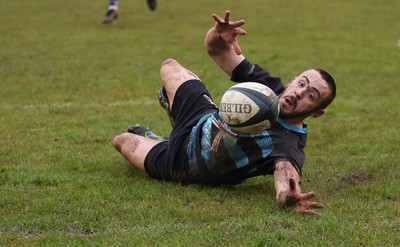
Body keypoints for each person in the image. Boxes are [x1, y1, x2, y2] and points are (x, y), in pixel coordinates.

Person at [113, 10, 336, 215]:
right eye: (301, 83)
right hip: (200, 119)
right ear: (293, 80)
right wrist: (217, 33)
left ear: (316, 113)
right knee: (169, 67)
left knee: (122, 141)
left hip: (182, 164)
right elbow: (216, 50)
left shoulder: (289, 145)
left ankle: (160, 140)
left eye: (311, 95)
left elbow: (285, 175)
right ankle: (175, 116)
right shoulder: (265, 89)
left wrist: (288, 196)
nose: (299, 93)